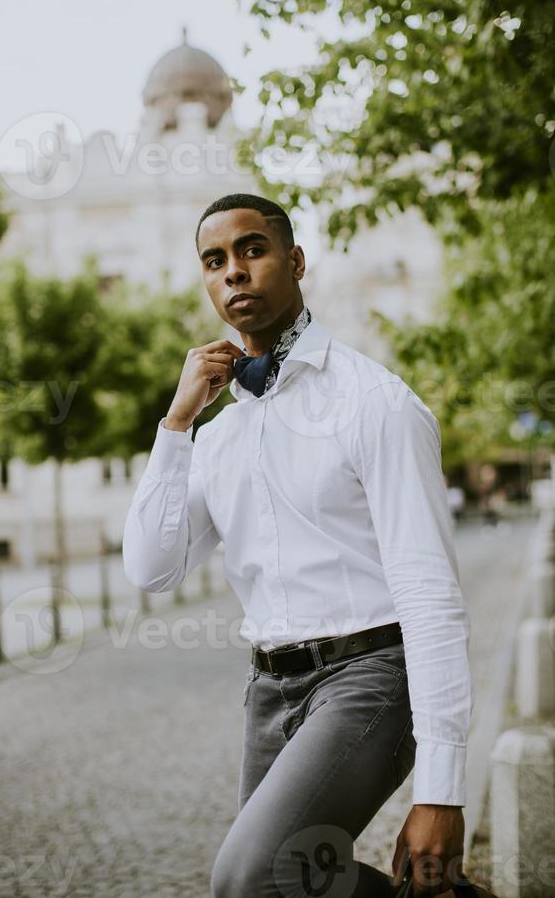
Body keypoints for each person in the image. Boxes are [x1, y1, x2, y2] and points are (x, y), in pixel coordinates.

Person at [123, 194, 477, 897]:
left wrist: (444, 788)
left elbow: (431, 594)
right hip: (267, 691)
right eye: (215, 261)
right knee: (284, 888)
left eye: (252, 250)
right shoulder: (219, 432)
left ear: (295, 260)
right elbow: (152, 567)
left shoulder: (374, 403)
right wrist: (177, 422)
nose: (235, 273)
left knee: (250, 878)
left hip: (369, 680)